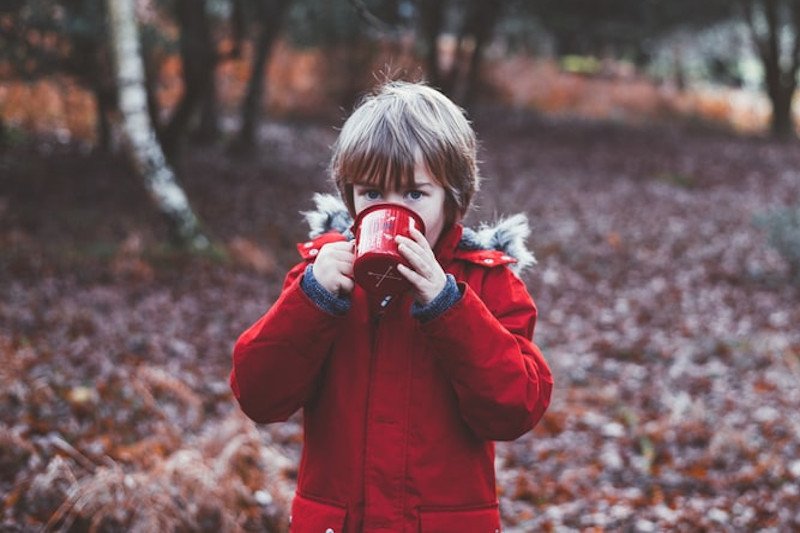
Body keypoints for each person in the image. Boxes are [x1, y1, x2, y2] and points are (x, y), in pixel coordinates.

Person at [230, 80, 553, 532]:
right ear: (350, 196)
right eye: (372, 193)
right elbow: (258, 394)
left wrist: (448, 306)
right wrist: (313, 299)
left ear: (452, 197)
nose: (390, 208)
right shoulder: (322, 276)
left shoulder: (485, 283)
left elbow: (515, 407)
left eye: (415, 194)